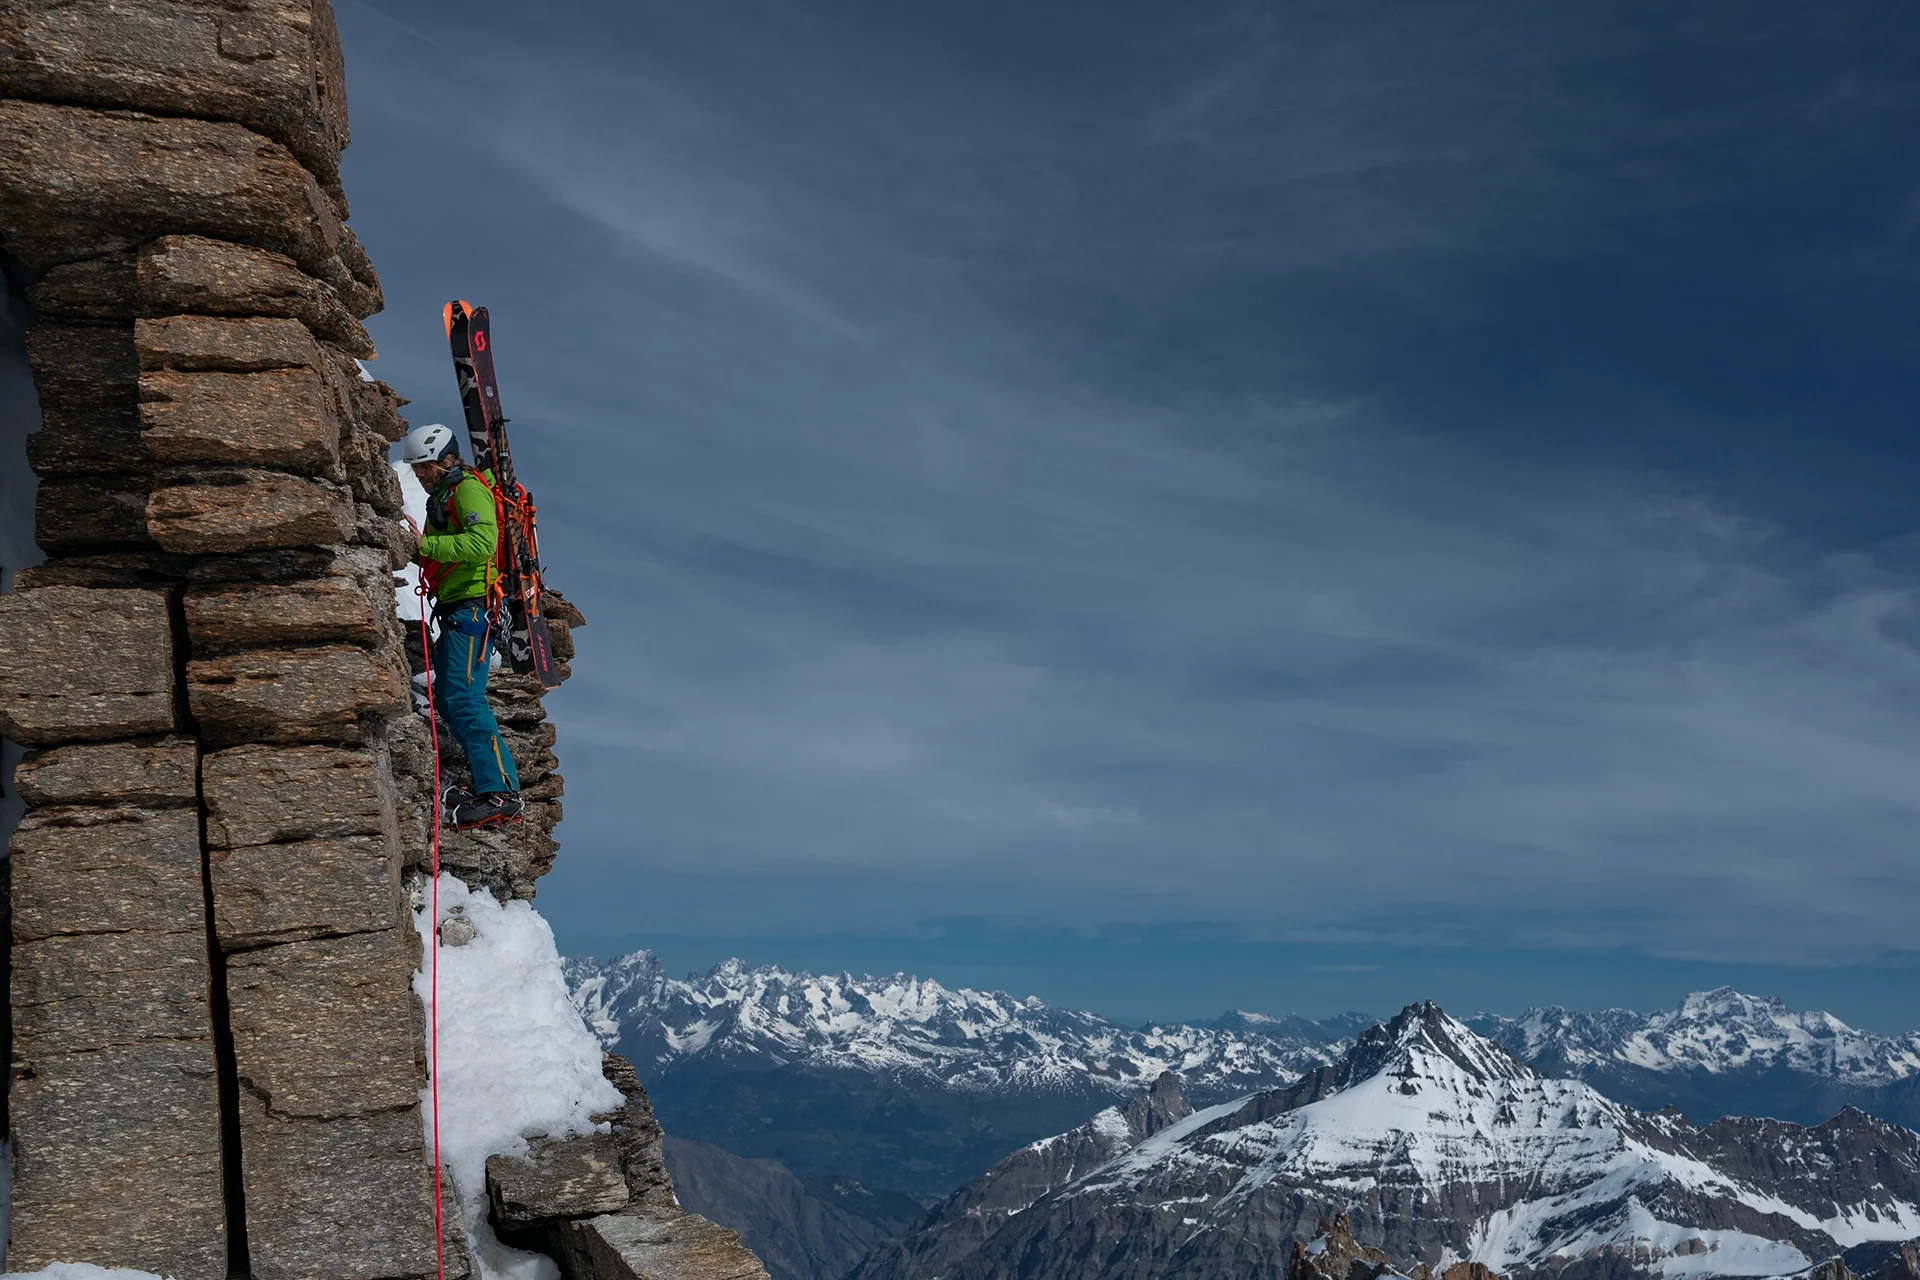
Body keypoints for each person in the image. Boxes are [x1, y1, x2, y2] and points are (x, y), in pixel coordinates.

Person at [399, 422, 526, 830]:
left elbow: (481, 544)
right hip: (457, 608)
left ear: (447, 460)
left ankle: (501, 792)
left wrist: (424, 545)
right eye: (416, 468)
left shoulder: (468, 489)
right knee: (452, 698)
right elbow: (445, 553)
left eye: (425, 466)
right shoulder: (444, 496)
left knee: (466, 699)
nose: (420, 474)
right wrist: (416, 548)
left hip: (472, 608)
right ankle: (491, 787)